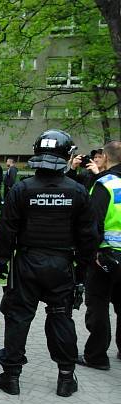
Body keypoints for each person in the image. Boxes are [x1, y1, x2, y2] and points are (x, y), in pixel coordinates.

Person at [0, 129, 96, 398]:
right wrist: (81, 272)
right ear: (67, 155)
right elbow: (88, 236)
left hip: (27, 262)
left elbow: (6, 228)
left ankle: (11, 376)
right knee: (61, 317)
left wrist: (1, 260)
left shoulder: (23, 188)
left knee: (18, 317)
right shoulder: (78, 191)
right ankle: (65, 377)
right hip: (61, 264)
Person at [78, 140, 121, 370]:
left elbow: (93, 222)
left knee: (98, 305)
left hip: (106, 256)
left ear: (105, 156)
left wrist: (89, 253)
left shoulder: (106, 184)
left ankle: (96, 356)